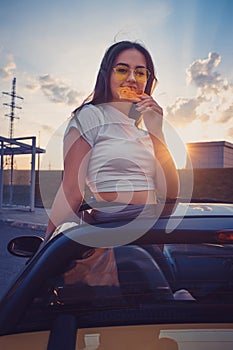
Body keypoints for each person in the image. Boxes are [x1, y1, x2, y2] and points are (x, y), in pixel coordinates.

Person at [45, 40, 179, 287]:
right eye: (122, 69)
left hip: (154, 230)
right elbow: (71, 191)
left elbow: (169, 192)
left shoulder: (142, 130)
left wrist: (157, 131)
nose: (131, 78)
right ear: (107, 75)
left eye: (140, 72)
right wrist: (45, 253)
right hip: (115, 232)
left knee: (164, 311)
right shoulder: (90, 116)